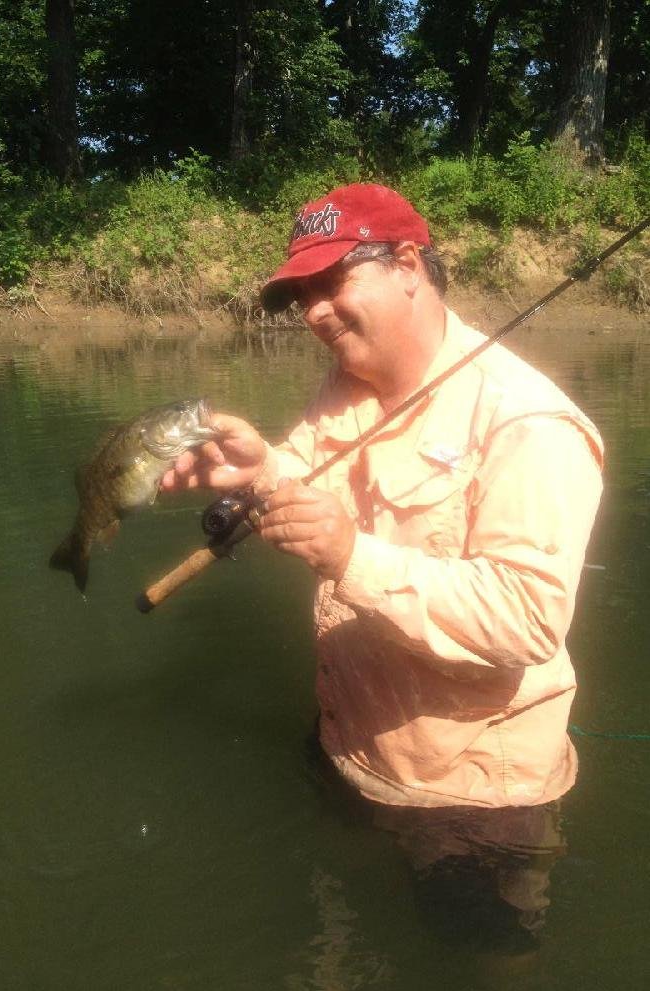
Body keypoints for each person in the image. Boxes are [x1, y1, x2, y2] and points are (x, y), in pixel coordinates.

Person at [162, 182, 603, 949]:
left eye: (333, 282)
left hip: (471, 797)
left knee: (479, 965)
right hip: (350, 739)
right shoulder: (348, 383)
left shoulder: (532, 425)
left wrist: (350, 556)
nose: (313, 312)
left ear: (407, 264)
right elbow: (308, 474)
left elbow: (528, 619)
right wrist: (263, 466)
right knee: (339, 922)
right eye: (303, 293)